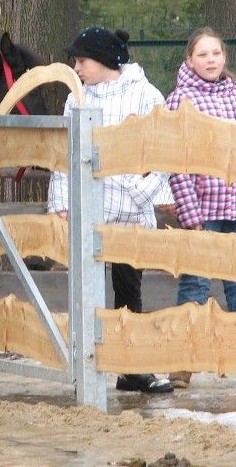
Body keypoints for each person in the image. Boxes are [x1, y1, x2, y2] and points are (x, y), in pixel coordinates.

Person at [48, 26, 173, 394]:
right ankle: (85, 366)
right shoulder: (77, 98)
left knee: (128, 292)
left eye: (82, 60)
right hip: (88, 212)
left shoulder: (146, 95)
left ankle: (130, 368)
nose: (77, 67)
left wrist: (140, 193)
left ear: (104, 60)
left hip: (130, 217)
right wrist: (61, 203)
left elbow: (164, 151)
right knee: (85, 291)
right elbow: (63, 154)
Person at [164, 27, 236, 389]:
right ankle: (184, 363)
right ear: (189, 60)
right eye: (202, 54)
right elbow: (177, 161)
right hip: (204, 208)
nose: (210, 60)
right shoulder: (179, 100)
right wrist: (191, 215)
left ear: (224, 57)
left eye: (215, 53)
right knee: (196, 284)